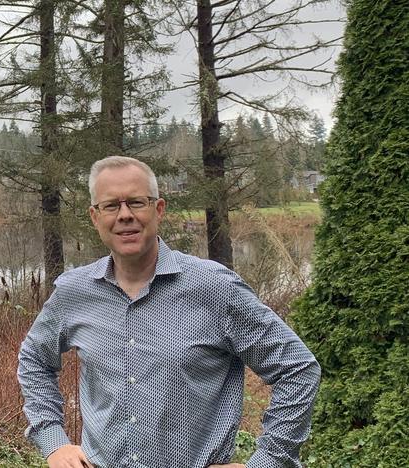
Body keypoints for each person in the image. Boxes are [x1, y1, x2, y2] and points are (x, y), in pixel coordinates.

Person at [17, 156, 321, 468]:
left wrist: (268, 460)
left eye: (136, 202)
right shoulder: (74, 291)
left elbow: (297, 369)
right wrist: (54, 441)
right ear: (95, 217)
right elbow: (34, 359)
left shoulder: (215, 288)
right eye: (111, 206)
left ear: (159, 209)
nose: (125, 216)